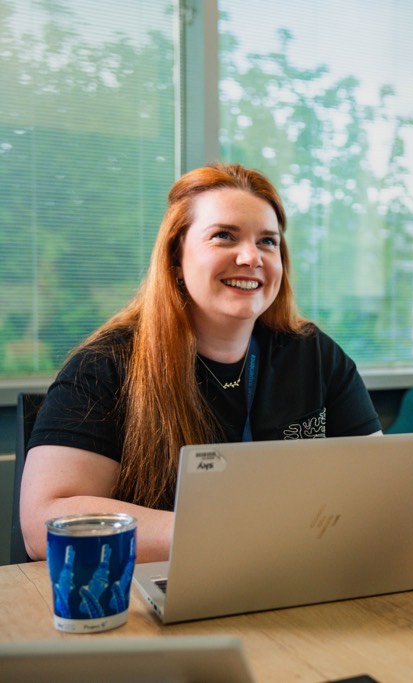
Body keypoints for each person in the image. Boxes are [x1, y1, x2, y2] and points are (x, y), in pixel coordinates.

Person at [21, 163, 381, 563]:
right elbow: (44, 523)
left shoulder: (315, 354)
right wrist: (228, 531)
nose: (251, 257)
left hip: (290, 578)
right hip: (153, 593)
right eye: (224, 236)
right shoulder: (106, 365)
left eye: (267, 241)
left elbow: (378, 487)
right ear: (176, 258)